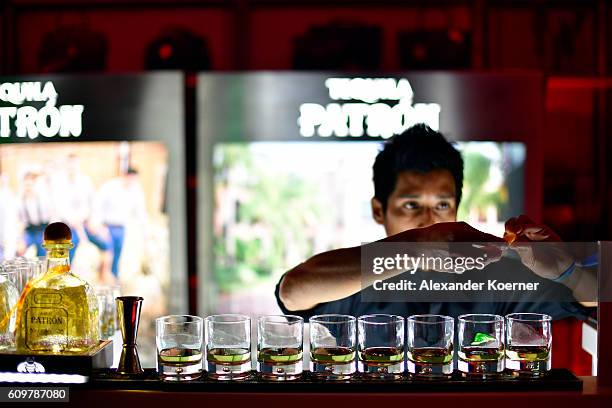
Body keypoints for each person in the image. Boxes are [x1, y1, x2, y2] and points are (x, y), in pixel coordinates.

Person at [276, 124, 595, 321]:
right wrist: (416, 246)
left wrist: (568, 269)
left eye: (442, 205)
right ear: (378, 211)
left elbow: (596, 296)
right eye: (411, 205)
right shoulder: (353, 279)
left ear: (457, 207)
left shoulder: (496, 281)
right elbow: (292, 291)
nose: (429, 221)